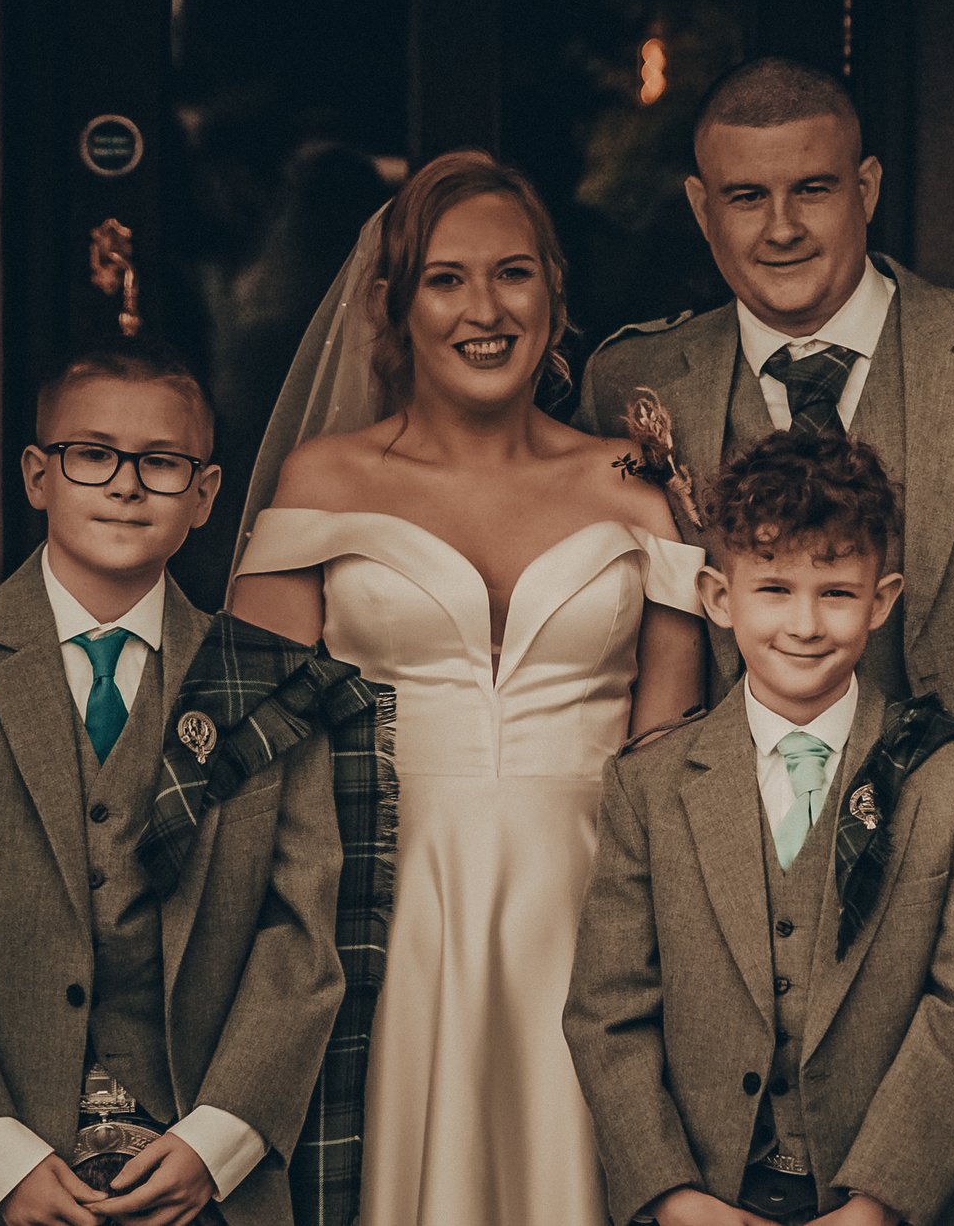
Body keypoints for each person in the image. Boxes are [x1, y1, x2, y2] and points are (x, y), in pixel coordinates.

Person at [574, 57, 954, 1223]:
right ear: (698, 205)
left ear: (869, 185)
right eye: (744, 197)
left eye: (814, 189)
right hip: (733, 931)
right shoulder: (633, 381)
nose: (780, 227)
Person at [228, 149, 709, 1226]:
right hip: (384, 911)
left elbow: (671, 749)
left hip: (591, 908)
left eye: (514, 273)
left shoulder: (630, 484)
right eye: (446, 278)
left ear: (554, 290)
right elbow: (253, 753)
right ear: (391, 305)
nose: (484, 309)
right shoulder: (324, 480)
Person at [0, 341, 343, 1226]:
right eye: (93, 455)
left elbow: (299, 933)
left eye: (162, 463)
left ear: (205, 496)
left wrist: (217, 1142)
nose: (126, 485)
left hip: (202, 1185)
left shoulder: (273, 686)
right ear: (39, 475)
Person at [565, 429, 954, 1226]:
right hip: (707, 1198)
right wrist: (673, 1198)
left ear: (881, 600)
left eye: (837, 592)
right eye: (773, 589)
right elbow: (607, 1014)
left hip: (892, 1204)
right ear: (718, 597)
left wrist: (879, 1203)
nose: (805, 624)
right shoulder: (648, 786)